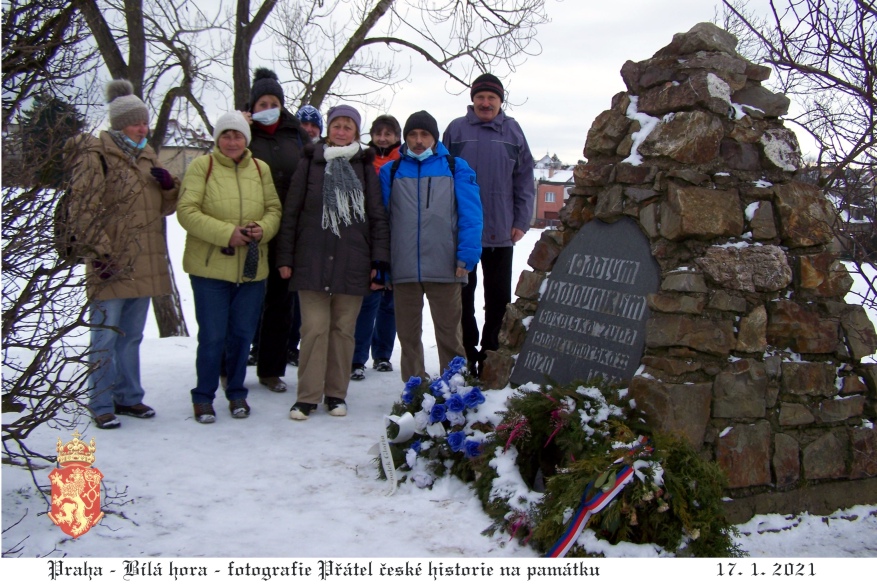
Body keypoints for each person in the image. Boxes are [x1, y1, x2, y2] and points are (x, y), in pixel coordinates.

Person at [67, 79, 180, 430]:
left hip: (142, 263)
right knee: (104, 337)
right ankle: (101, 402)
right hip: (109, 263)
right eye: (135, 122)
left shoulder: (147, 156)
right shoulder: (96, 156)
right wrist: (99, 254)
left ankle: (129, 397)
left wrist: (168, 187)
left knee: (131, 336)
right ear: (118, 124)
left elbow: (163, 209)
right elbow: (82, 209)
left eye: (144, 122)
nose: (142, 128)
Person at [277, 104, 390, 421]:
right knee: (313, 329)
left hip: (352, 261)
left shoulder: (365, 167)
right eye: (337, 126)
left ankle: (336, 394)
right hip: (310, 260)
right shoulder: (310, 162)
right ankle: (307, 397)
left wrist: (378, 261)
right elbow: (291, 213)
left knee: (342, 331)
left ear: (356, 132)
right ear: (328, 129)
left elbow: (377, 217)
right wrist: (285, 257)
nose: (341, 132)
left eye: (348, 127)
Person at [177, 111, 282, 423]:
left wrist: (263, 229)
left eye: (237, 135)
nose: (232, 141)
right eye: (226, 135)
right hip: (210, 270)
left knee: (242, 334)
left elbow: (274, 209)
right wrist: (227, 233)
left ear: (246, 139)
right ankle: (203, 396)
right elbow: (186, 211)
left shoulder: (260, 169)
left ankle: (236, 392)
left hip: (251, 269)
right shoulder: (202, 167)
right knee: (212, 336)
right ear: (217, 139)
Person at [442, 73, 535, 378]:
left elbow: (524, 179)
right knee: (462, 300)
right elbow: (442, 178)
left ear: (500, 101)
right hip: (463, 233)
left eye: (491, 98)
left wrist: (521, 221)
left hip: (500, 230)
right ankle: (466, 355)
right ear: (473, 99)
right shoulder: (456, 130)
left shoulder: (513, 132)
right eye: (480, 97)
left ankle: (490, 353)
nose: (485, 103)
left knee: (497, 300)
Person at [381, 111, 482, 381]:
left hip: (446, 265)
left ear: (434, 138)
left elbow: (471, 216)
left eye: (424, 134)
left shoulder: (455, 167)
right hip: (404, 268)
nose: (418, 140)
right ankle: (414, 387)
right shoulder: (390, 171)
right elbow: (381, 221)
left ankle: (454, 388)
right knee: (408, 336)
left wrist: (467, 257)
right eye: (412, 135)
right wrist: (383, 263)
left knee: (449, 334)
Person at [239, 68, 310, 394]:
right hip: (250, 230)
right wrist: (242, 126)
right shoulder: (243, 132)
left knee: (281, 305)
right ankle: (233, 367)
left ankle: (271, 370)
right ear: (252, 106)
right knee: (244, 302)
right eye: (262, 102)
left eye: (274, 102)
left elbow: (314, 167)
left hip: (288, 231)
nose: (269, 107)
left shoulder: (296, 134)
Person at [351, 115, 402, 380]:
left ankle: (382, 355)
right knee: (368, 298)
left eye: (389, 133)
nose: (383, 138)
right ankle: (356, 358)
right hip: (369, 237)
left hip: (397, 237)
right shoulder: (363, 160)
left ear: (397, 136)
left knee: (390, 303)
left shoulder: (402, 161)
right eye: (378, 133)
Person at [287, 104, 324, 366]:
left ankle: (294, 345)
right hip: (288, 228)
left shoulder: (321, 155)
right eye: (305, 124)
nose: (309, 129)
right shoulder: (290, 149)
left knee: (304, 300)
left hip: (313, 234)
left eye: (314, 126)